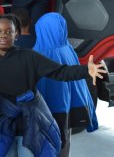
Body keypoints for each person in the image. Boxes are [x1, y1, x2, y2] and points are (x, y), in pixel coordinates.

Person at [0, 13, 106, 156]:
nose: (3, 35)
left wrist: (87, 70)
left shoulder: (29, 57)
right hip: (4, 127)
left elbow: (60, 72)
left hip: (31, 125)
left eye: (8, 31)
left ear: (16, 34)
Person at [34, 12, 98, 157]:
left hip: (47, 112)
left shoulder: (39, 53)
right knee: (64, 144)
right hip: (66, 110)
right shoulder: (68, 49)